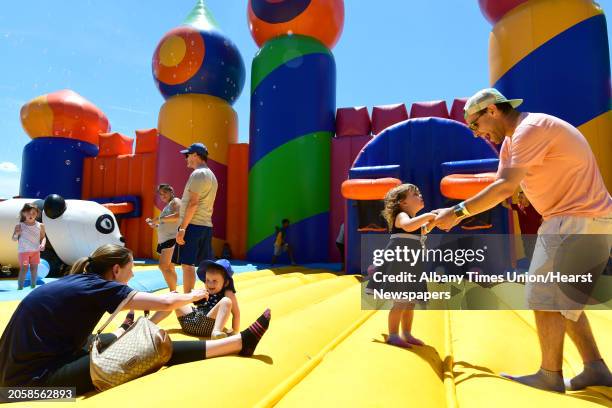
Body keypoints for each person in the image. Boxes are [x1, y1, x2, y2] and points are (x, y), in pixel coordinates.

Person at [429, 88, 612, 392]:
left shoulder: (530, 129)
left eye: (475, 125)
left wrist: (458, 212)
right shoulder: (511, 143)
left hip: (575, 219)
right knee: (565, 303)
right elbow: (508, 185)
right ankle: (595, 368)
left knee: (543, 294)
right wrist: (523, 191)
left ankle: (549, 375)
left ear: (492, 111)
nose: (476, 134)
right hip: (587, 219)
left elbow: (503, 186)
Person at [0, 244, 271, 395]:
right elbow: (165, 302)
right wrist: (195, 295)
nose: (132, 276)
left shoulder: (77, 279)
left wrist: (119, 332)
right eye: (131, 270)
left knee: (100, 340)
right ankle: (238, 344)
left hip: (11, 375)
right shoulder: (103, 286)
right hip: (33, 386)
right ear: (116, 269)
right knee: (152, 344)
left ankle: (122, 331)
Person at [371, 184, 436, 348]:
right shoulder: (401, 216)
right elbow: (408, 226)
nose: (420, 195)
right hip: (399, 264)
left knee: (410, 302)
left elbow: (422, 230)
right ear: (403, 202)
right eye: (415, 194)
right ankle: (393, 335)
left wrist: (434, 221)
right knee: (400, 302)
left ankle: (406, 333)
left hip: (411, 264)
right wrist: (429, 215)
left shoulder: (413, 221)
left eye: (419, 192)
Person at [151, 259, 240, 340]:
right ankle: (149, 324)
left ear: (226, 282)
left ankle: (216, 331)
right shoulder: (205, 290)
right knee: (174, 296)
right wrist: (195, 296)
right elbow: (194, 303)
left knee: (226, 301)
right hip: (190, 322)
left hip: (208, 326)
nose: (210, 284)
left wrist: (235, 331)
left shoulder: (228, 293)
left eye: (215, 281)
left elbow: (236, 314)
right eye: (207, 280)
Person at [173, 143, 218, 293]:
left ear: (196, 155)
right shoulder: (211, 175)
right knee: (206, 266)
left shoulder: (198, 174)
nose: (186, 159)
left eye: (188, 155)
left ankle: (188, 301)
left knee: (187, 265)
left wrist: (183, 228)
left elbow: (193, 203)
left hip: (194, 225)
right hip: (205, 225)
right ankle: (212, 296)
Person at [146, 184, 181, 291]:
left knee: (163, 266)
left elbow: (178, 216)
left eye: (164, 192)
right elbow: (167, 223)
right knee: (170, 267)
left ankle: (173, 292)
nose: (162, 195)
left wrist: (159, 219)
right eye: (160, 194)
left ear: (171, 191)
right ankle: (174, 291)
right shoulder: (168, 205)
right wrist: (155, 225)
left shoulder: (175, 201)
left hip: (171, 239)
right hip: (166, 239)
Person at [12, 203, 46, 290]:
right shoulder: (20, 225)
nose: (31, 215)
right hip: (23, 252)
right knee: (24, 268)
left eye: (33, 213)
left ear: (37, 214)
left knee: (34, 269)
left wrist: (42, 244)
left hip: (35, 252)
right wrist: (16, 233)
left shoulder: (40, 225)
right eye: (28, 213)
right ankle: (20, 287)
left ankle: (33, 286)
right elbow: (14, 239)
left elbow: (43, 237)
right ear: (24, 213)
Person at [502, 190, 542, 260]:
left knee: (536, 254)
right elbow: (504, 204)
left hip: (536, 236)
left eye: (521, 197)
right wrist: (503, 194)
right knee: (528, 253)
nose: (519, 200)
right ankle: (531, 268)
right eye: (518, 198)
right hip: (525, 236)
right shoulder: (519, 206)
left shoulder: (535, 207)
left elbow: (542, 220)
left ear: (527, 198)